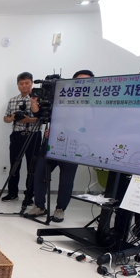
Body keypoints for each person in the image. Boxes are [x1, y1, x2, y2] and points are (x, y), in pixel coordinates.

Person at [26, 70, 95, 221]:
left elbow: (90, 127)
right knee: (40, 174)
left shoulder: (90, 104)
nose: (82, 84)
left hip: (73, 143)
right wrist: (34, 101)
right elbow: (39, 114)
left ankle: (60, 209)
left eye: (87, 82)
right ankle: (39, 206)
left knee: (66, 179)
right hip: (52, 141)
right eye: (79, 81)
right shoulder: (60, 98)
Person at [2, 72, 41, 205]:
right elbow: (5, 118)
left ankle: (29, 196)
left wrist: (29, 120)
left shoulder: (38, 99)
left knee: (32, 167)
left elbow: (43, 119)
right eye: (21, 83)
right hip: (17, 135)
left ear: (32, 83)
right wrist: (12, 118)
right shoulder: (13, 100)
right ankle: (12, 193)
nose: (24, 86)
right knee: (14, 165)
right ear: (18, 85)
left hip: (33, 135)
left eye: (27, 83)